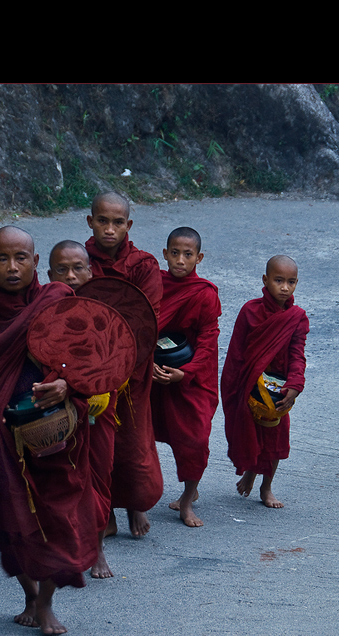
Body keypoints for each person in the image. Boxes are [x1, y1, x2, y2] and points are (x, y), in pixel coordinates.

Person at [0, 226, 99, 636]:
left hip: (54, 436)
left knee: (61, 518)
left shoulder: (57, 301)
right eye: (2, 259)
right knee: (9, 520)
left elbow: (88, 359)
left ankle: (47, 602)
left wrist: (67, 385)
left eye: (21, 258)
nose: (12, 268)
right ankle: (29, 595)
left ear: (36, 262)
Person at [83, 192, 164, 538]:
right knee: (97, 443)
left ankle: (134, 503)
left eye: (118, 222)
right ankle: (105, 510)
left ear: (128, 225)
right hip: (90, 366)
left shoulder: (143, 265)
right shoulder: (79, 259)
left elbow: (147, 318)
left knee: (132, 440)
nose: (110, 229)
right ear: (91, 222)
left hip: (131, 367)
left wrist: (119, 366)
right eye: (103, 221)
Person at [46, 239, 114, 579]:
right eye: (62, 269)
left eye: (78, 269)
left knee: (98, 478)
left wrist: (106, 387)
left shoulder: (104, 308)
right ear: (48, 274)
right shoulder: (44, 310)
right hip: (59, 408)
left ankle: (98, 547)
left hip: (99, 408)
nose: (71, 276)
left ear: (90, 271)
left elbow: (119, 356)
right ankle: (64, 547)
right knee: (65, 481)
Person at [220, 254, 309, 509]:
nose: (284, 287)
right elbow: (236, 352)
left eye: (291, 282)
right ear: (265, 280)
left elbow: (297, 354)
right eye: (278, 280)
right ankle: (249, 471)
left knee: (276, 438)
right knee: (249, 433)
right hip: (250, 383)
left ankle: (266, 486)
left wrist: (294, 384)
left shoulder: (297, 318)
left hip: (278, 387)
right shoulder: (250, 311)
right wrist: (236, 387)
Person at [151, 227, 221, 527]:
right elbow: (142, 325)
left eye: (188, 254)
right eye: (175, 253)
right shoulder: (154, 285)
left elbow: (208, 340)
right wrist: (145, 365)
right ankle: (136, 500)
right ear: (165, 254)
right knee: (140, 436)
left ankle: (187, 498)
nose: (180, 260)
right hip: (154, 371)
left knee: (195, 439)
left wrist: (186, 373)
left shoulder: (204, 294)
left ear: (199, 258)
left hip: (191, 375)